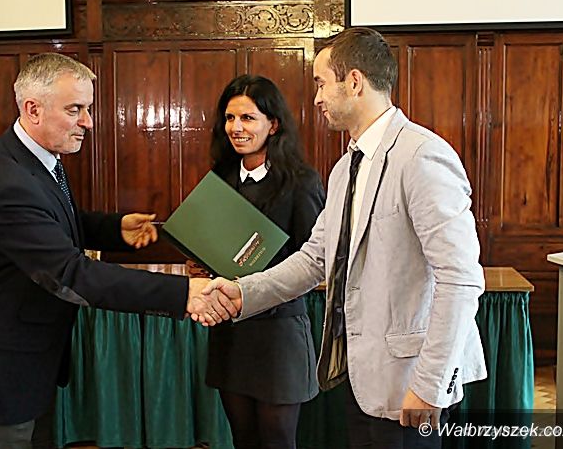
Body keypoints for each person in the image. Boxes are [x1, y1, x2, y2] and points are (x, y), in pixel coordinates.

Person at [199, 27, 487, 449]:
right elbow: (314, 258)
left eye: (321, 83)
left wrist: (430, 386)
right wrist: (242, 292)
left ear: (353, 82)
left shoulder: (422, 155)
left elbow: (460, 279)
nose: (316, 98)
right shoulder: (343, 168)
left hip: (410, 385)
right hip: (362, 378)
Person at [0, 52, 235, 449]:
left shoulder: (34, 158)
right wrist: (184, 293)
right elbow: (69, 274)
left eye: (88, 108)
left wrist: (113, 229)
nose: (88, 122)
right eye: (75, 109)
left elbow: (52, 222)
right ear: (33, 109)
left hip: (27, 360)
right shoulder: (6, 180)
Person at [202, 75, 325, 449]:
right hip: (231, 333)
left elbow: (315, 261)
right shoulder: (219, 180)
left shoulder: (301, 182)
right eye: (230, 118)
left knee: (277, 440)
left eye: (247, 118)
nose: (236, 128)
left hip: (279, 334)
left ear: (273, 125)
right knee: (244, 440)